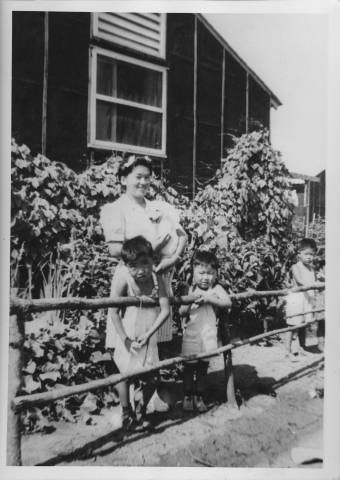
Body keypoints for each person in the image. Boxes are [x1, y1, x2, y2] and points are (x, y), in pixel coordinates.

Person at [100, 155, 187, 348]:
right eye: (138, 177)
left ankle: (153, 374)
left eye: (147, 177)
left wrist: (173, 258)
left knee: (156, 341)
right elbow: (115, 250)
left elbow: (182, 235)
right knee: (130, 338)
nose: (143, 182)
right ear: (124, 179)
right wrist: (151, 250)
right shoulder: (115, 209)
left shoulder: (157, 206)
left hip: (159, 275)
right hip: (131, 277)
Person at [109, 236, 170, 430]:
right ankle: (126, 411)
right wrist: (126, 340)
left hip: (149, 334)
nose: (141, 270)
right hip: (129, 333)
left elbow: (165, 310)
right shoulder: (124, 279)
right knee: (125, 375)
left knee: (152, 376)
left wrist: (150, 334)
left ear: (153, 261)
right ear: (126, 266)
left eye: (145, 264)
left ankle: (140, 411)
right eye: (133, 266)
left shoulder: (157, 279)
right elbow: (114, 312)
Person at [179, 250, 231, 412]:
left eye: (210, 273)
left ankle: (199, 395)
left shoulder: (216, 289)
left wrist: (209, 299)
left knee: (202, 367)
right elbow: (181, 311)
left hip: (208, 335)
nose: (205, 277)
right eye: (201, 273)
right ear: (193, 272)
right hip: (192, 334)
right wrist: (191, 302)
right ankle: (188, 395)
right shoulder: (190, 289)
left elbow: (227, 302)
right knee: (189, 367)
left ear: (215, 274)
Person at [285, 238, 317, 360]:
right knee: (292, 325)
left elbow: (312, 282)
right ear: (299, 254)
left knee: (303, 324)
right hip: (296, 299)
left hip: (307, 298)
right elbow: (299, 280)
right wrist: (312, 285)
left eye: (312, 254)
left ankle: (302, 348)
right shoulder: (295, 267)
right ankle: (288, 351)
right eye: (306, 254)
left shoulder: (311, 268)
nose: (309, 257)